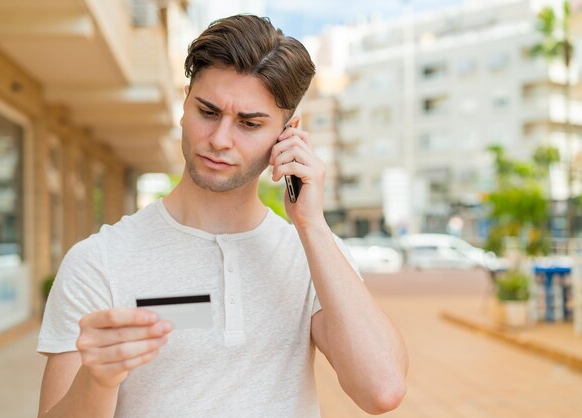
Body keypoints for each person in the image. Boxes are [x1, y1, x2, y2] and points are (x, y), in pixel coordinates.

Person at [37, 14, 407, 418]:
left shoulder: (312, 252)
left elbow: (381, 390)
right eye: (208, 112)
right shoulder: (99, 261)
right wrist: (97, 379)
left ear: (288, 133)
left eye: (249, 123)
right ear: (184, 105)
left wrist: (312, 226)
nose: (219, 140)